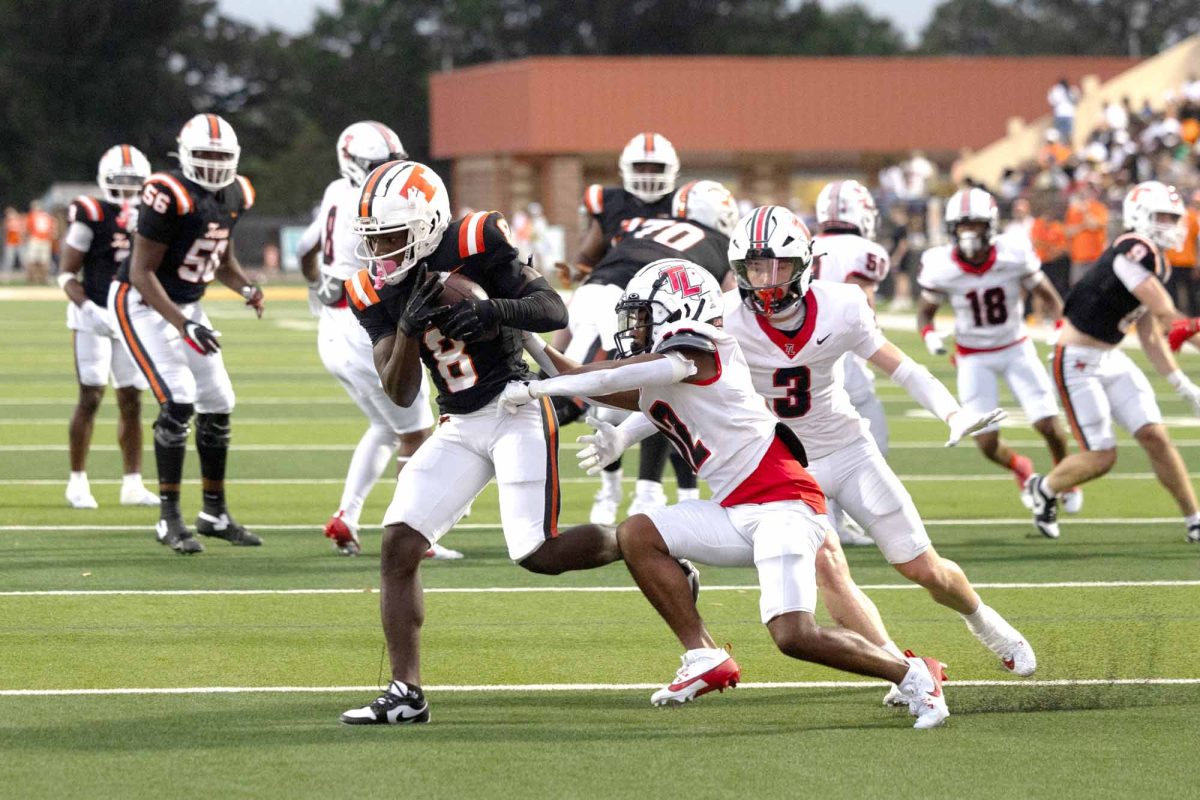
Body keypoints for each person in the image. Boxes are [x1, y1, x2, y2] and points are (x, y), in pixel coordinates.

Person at [499, 257, 952, 730]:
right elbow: (588, 379)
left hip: (786, 505)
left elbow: (606, 377)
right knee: (638, 532)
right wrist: (524, 334)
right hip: (737, 509)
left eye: (644, 315)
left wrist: (537, 390)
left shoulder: (702, 350)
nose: (634, 327)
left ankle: (912, 675)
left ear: (678, 310)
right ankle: (704, 655)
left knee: (793, 635)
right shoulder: (667, 368)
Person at [339, 160, 634, 725]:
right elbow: (400, 393)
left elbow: (552, 309)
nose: (382, 254)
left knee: (536, 553)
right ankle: (406, 693)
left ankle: (642, 542)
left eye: (393, 237)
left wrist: (490, 310)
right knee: (398, 544)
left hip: (518, 405)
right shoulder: (369, 288)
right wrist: (406, 330)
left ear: (428, 224)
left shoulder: (475, 239)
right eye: (374, 240)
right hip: (459, 421)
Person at [721, 206, 1034, 677]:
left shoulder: (841, 305)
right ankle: (901, 668)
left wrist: (951, 412)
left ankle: (986, 622)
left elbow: (900, 366)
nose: (766, 279)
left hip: (847, 450)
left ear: (804, 263)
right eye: (754, 268)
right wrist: (624, 428)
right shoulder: (724, 318)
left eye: (779, 265)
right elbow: (689, 387)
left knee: (921, 567)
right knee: (829, 569)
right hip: (782, 467)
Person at [296, 121, 457, 560]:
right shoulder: (365, 204)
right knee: (416, 431)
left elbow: (304, 250)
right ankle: (414, 535)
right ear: (354, 165)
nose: (388, 169)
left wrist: (318, 286)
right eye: (378, 164)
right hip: (365, 328)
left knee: (386, 428)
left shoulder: (334, 192)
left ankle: (346, 515)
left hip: (332, 326)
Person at [112, 113, 264, 554]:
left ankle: (214, 513)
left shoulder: (238, 192)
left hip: (186, 305)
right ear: (184, 155)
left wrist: (247, 286)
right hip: (140, 302)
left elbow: (219, 259)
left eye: (222, 156)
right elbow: (141, 273)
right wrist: (183, 325)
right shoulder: (167, 192)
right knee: (178, 397)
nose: (215, 165)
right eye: (205, 155)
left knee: (219, 401)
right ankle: (169, 518)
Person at [1026, 181, 1200, 544]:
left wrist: (1182, 384)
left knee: (1155, 435)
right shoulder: (1133, 247)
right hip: (1075, 360)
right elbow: (1169, 316)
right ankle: (1044, 487)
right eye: (1162, 217)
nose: (1170, 224)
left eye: (1173, 217)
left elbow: (1151, 334)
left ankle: (1195, 519)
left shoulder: (1158, 262)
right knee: (1102, 457)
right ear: (1141, 216)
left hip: (1109, 355)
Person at [583, 180, 739, 519]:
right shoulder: (714, 243)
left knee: (654, 398)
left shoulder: (644, 225)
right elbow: (733, 301)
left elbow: (589, 259)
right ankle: (640, 493)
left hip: (631, 308)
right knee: (655, 400)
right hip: (645, 312)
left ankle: (639, 493)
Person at [917, 188, 1077, 512]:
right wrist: (929, 334)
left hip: (1016, 348)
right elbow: (925, 312)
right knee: (986, 443)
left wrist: (1061, 329)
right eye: (962, 225)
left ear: (990, 225)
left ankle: (1066, 479)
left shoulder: (1013, 252)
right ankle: (1021, 467)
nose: (968, 233)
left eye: (974, 224)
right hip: (973, 357)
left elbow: (1048, 295)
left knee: (1050, 425)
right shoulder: (940, 264)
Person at [553, 132, 681, 523]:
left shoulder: (684, 204)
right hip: (610, 302)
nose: (647, 175)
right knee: (598, 398)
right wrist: (576, 277)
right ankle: (611, 489)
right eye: (640, 167)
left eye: (654, 168)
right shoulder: (608, 203)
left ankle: (648, 490)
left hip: (657, 307)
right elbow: (588, 260)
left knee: (653, 392)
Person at [59, 145, 159, 509]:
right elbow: (67, 273)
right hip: (93, 315)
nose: (128, 190)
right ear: (105, 180)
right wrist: (87, 308)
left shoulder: (154, 213)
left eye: (134, 183)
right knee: (91, 395)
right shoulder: (91, 212)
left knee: (132, 399)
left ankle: (132, 483)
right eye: (121, 182)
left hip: (130, 315)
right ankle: (77, 481)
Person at [1164, 189, 1200, 315]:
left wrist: (1197, 263)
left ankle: (1193, 321)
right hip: (1172, 261)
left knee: (1191, 295)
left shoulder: (1190, 217)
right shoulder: (1168, 216)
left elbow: (1196, 241)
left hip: (1187, 261)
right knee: (1172, 294)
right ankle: (1175, 320)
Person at [1064, 184, 1109, 286]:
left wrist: (1085, 211)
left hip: (1095, 257)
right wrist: (1083, 226)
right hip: (1078, 257)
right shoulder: (1073, 210)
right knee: (1077, 289)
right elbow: (1068, 232)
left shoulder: (1099, 208)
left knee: (1096, 287)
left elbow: (1094, 225)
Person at [24, 200, 55, 285]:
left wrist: (25, 238)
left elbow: (28, 229)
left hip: (35, 239)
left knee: (32, 260)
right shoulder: (47, 216)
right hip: (46, 240)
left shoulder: (32, 216)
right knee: (44, 261)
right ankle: (43, 279)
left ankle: (33, 279)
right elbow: (53, 230)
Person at [1047, 78, 1079, 142]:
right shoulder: (1072, 89)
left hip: (1059, 114)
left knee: (1059, 134)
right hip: (1069, 114)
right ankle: (1066, 147)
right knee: (1068, 134)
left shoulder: (1055, 90)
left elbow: (1051, 101)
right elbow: (1077, 100)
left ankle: (1062, 147)